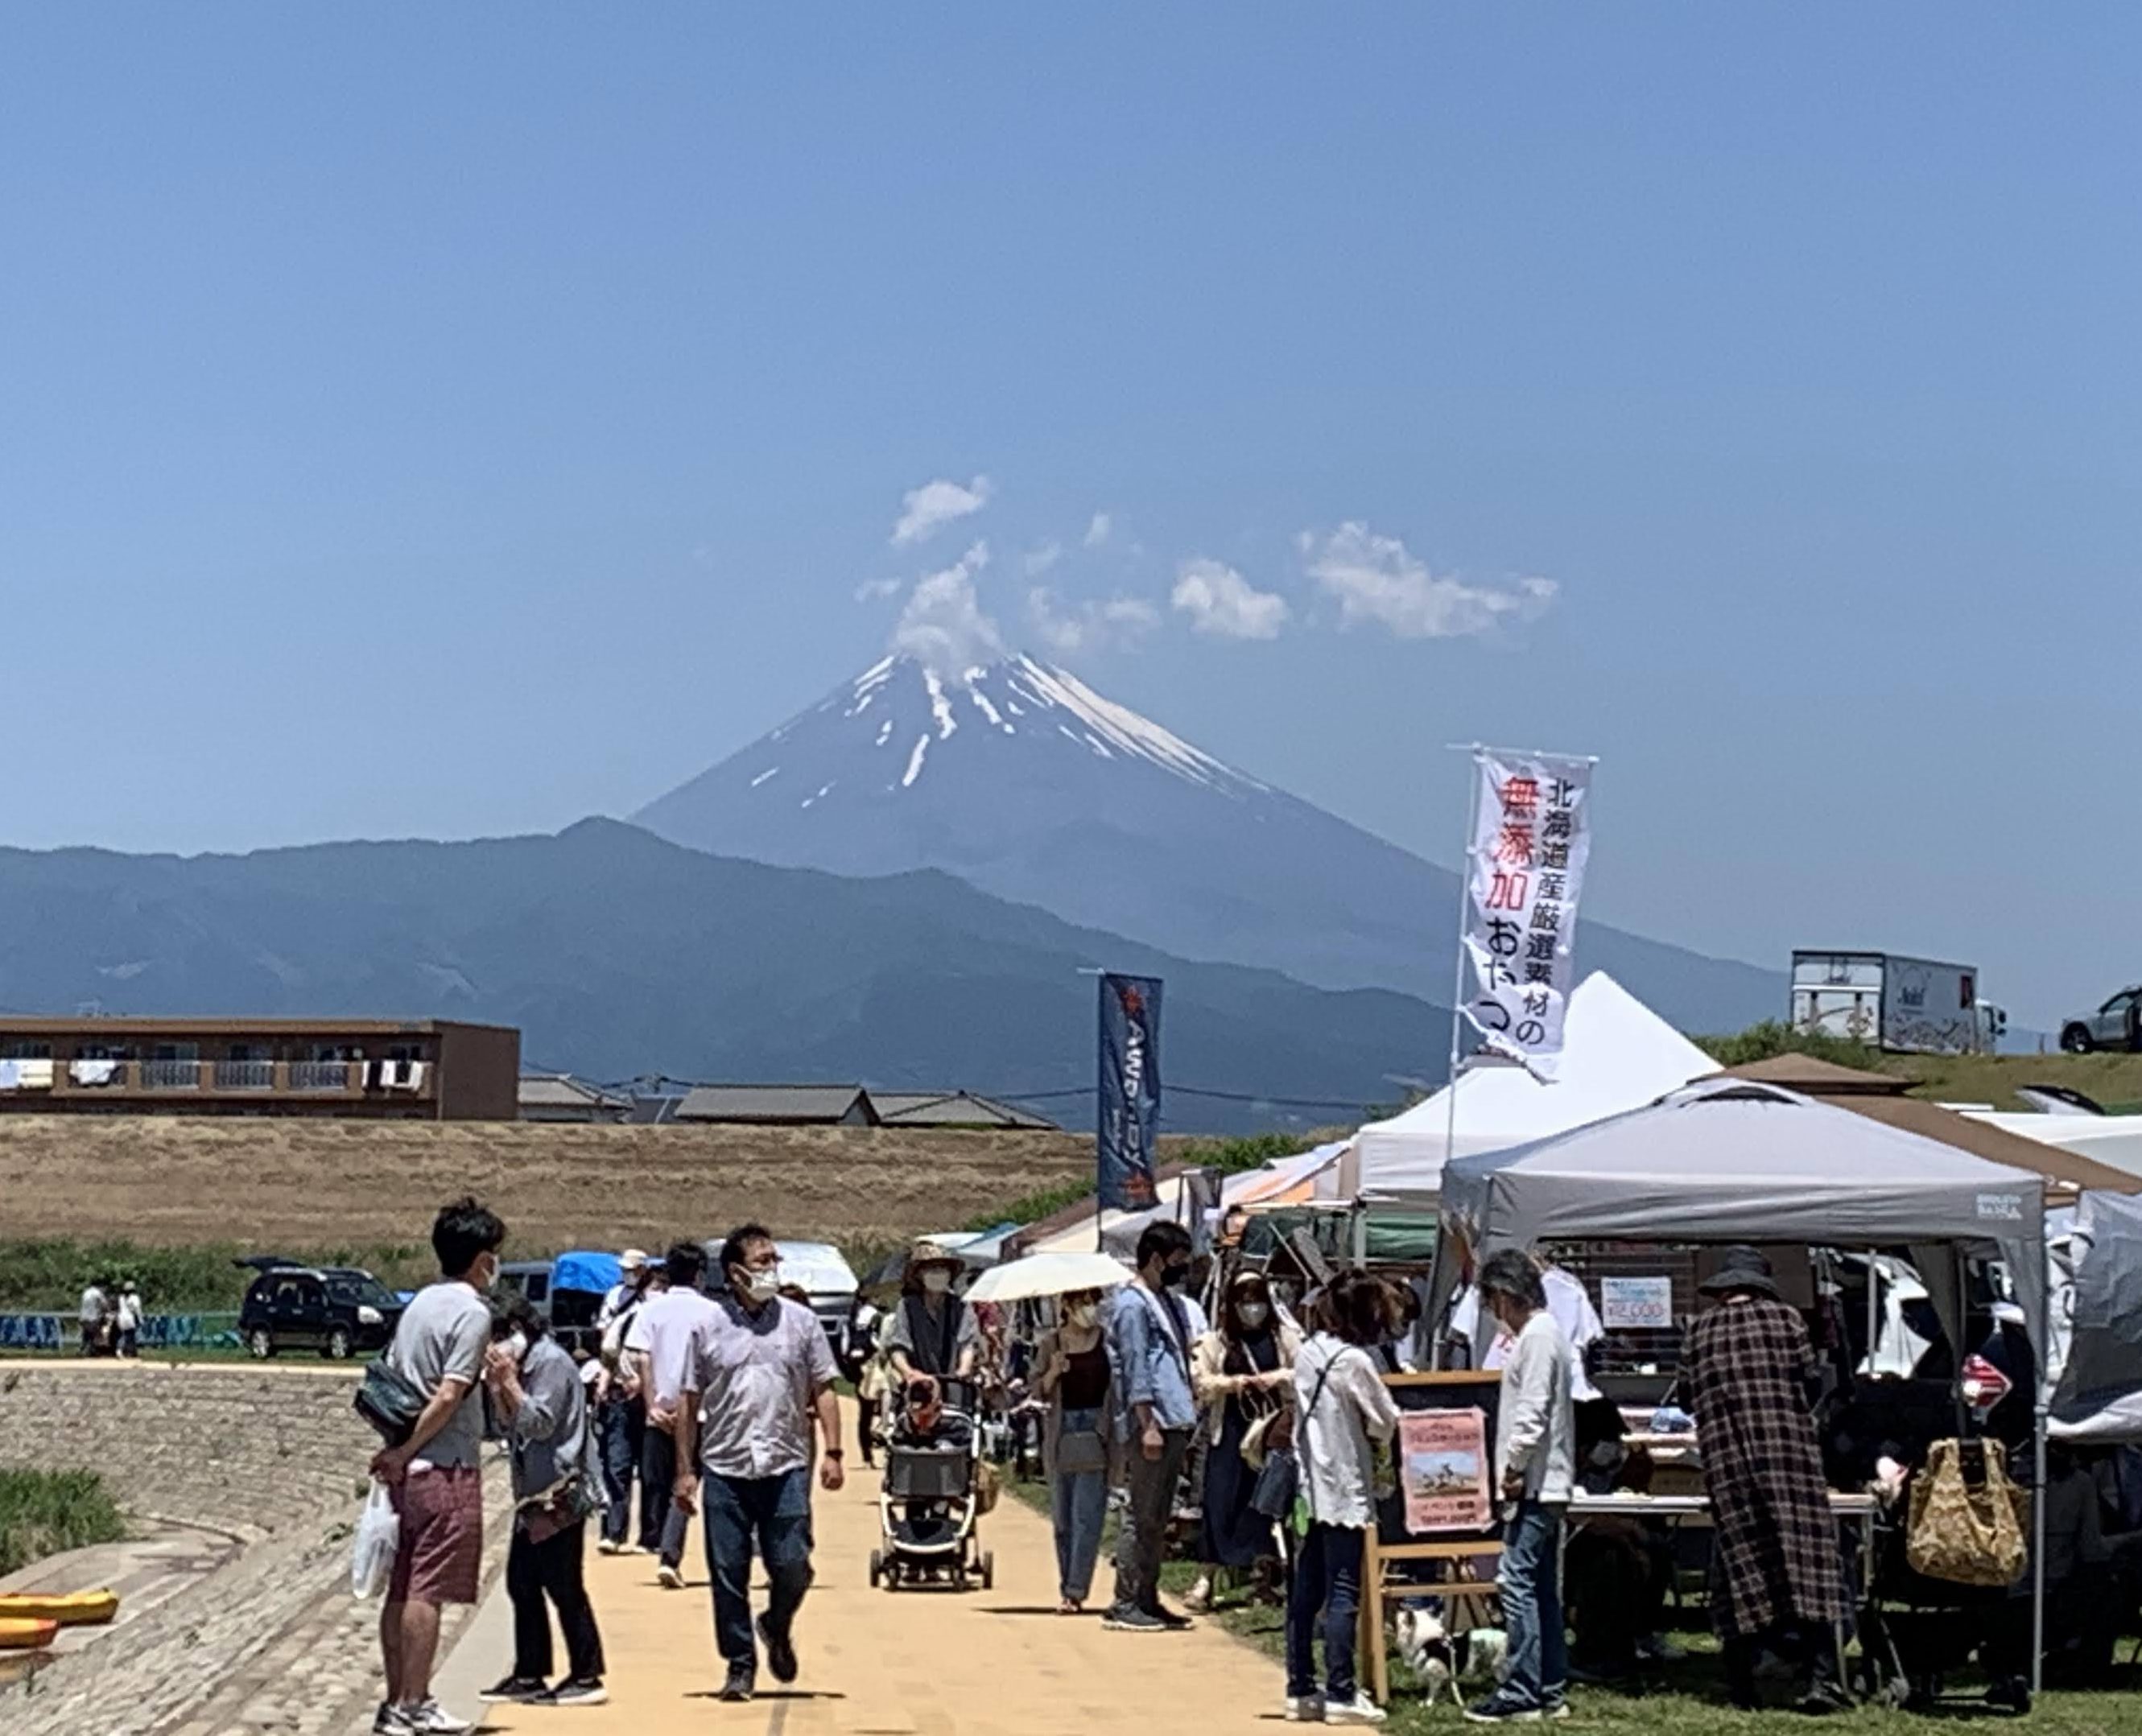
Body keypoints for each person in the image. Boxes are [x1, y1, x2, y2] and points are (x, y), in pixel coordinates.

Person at [672, 1223, 844, 1704]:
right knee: (728, 1572)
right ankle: (740, 1665)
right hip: (726, 1466)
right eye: (762, 1261)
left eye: (774, 1260)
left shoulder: (801, 1322)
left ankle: (776, 1621)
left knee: (793, 1564)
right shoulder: (707, 1326)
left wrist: (833, 1452)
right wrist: (684, 1471)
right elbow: (688, 1400)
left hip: (786, 1463)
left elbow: (824, 1387)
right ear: (735, 1273)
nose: (772, 1269)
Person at [1683, 1246, 1848, 1713]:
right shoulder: (1787, 1321)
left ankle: (1742, 1685)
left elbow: (1687, 1398)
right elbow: (1812, 1381)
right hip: (1789, 1460)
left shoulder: (1699, 1331)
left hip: (1728, 1463)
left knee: (1741, 1566)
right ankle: (1820, 1680)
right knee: (1808, 1563)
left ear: (1725, 1289)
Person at [369, 1197, 507, 1736]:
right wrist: (408, 1450)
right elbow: (450, 1392)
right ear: (481, 1258)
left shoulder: (421, 1303)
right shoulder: (472, 1313)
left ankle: (394, 1700)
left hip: (409, 1470)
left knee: (402, 1587)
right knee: (427, 1589)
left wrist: (398, 1452)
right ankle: (414, 1701)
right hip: (445, 1466)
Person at [478, 1297, 608, 1709]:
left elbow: (540, 1423)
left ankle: (587, 1673)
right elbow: (507, 1424)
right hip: (532, 1494)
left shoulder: (551, 1363)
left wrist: (511, 1383)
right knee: (522, 1582)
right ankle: (530, 1671)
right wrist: (498, 1387)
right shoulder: (523, 1366)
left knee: (564, 1584)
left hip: (559, 1492)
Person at [1285, 1270, 1400, 1726]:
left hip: (1309, 1484)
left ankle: (1300, 1687)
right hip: (1345, 1486)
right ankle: (1340, 1691)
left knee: (1306, 1588)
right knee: (1343, 1590)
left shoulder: (1308, 1352)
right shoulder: (1354, 1361)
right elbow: (1385, 1419)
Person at [1465, 1249, 1576, 1725]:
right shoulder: (1542, 1335)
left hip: (1535, 1483)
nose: (1494, 1313)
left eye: (1493, 1301)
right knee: (1540, 1586)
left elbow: (1532, 1410)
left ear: (1507, 1296)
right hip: (1542, 1483)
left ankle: (1521, 1689)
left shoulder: (1538, 1337)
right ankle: (1549, 1686)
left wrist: (1513, 1468)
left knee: (1515, 1582)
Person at [1102, 1221, 1199, 1635]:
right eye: (1177, 1261)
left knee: (1159, 1517)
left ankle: (1147, 1596)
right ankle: (1125, 1600)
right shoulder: (1132, 1305)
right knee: (1141, 1513)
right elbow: (1135, 1367)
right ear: (1156, 1259)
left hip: (1175, 1417)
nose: (1182, 1269)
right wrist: (1148, 1424)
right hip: (1153, 1421)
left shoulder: (1167, 1302)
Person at [1187, 1272, 1301, 1613]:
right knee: (1220, 1501)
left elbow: (1303, 1371)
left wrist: (1274, 1379)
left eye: (1259, 1301)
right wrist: (1234, 1383)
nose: (1253, 1309)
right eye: (1246, 1302)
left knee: (1264, 1503)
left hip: (1271, 1432)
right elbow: (1201, 1381)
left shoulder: (1284, 1337)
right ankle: (1206, 1578)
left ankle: (1263, 1577)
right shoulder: (1216, 1341)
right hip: (1229, 1431)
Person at [629, 1242, 717, 1589]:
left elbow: (644, 1359)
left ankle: (666, 1550)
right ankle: (672, 1555)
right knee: (691, 1482)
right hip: (701, 1413)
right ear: (699, 1275)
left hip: (662, 1411)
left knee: (661, 1483)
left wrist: (652, 1404)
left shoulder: (651, 1310)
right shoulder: (714, 1313)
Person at [1034, 1285, 1113, 1614]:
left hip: (1095, 1429)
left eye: (1094, 1301)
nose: (1090, 1308)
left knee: (1087, 1515)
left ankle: (1076, 1589)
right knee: (1063, 1517)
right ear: (1066, 1305)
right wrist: (1053, 1372)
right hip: (1061, 1430)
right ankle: (1066, 1583)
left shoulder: (1107, 1341)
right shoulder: (1050, 1344)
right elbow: (1035, 1391)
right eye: (1083, 1302)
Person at [593, 1256, 657, 1556]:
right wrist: (604, 1384)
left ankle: (651, 1536)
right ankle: (613, 1533)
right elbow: (609, 1353)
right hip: (622, 1398)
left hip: (654, 1402)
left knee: (651, 1471)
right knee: (616, 1465)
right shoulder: (621, 1312)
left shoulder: (661, 1316)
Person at [883, 1240, 979, 1388]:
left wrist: (963, 1369)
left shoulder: (961, 1307)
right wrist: (909, 1372)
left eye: (943, 1268)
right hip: (918, 1384)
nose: (938, 1273)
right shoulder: (907, 1306)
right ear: (920, 1274)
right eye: (932, 1268)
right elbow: (898, 1347)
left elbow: (967, 1344)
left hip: (954, 1381)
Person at [841, 1294, 885, 1468]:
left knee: (864, 1415)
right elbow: (880, 1343)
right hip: (875, 1368)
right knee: (885, 1410)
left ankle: (867, 1457)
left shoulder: (851, 1319)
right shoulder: (877, 1317)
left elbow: (844, 1348)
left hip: (859, 1370)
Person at [78, 1277, 108, 1357]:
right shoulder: (97, 1293)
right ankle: (92, 1350)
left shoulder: (86, 1292)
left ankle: (83, 1350)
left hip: (83, 1317)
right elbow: (104, 1304)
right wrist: (105, 1311)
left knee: (86, 1334)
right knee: (94, 1335)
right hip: (92, 1317)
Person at [115, 1281, 143, 1359]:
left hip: (121, 1317)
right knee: (129, 1335)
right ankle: (122, 1349)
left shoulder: (121, 1298)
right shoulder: (135, 1298)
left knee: (126, 1334)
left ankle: (131, 1351)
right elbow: (137, 1309)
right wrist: (140, 1319)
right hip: (130, 1317)